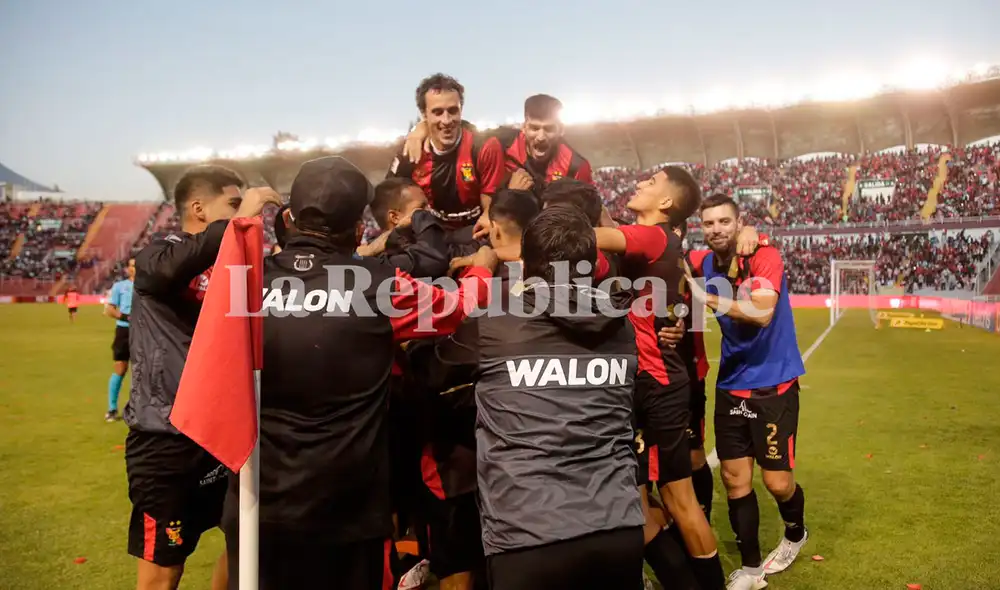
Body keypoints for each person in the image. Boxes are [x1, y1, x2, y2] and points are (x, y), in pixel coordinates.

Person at [221, 156, 497, 590]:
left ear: (289, 219)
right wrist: (483, 265)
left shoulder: (242, 280)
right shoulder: (378, 286)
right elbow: (458, 306)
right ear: (356, 230)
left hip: (258, 500)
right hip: (346, 509)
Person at [124, 164, 282, 590]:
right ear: (198, 208)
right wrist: (241, 220)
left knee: (244, 541)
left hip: (225, 434)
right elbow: (162, 271)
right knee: (163, 572)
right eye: (232, 203)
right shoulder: (161, 254)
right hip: (167, 440)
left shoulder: (233, 264)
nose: (242, 210)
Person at [472, 204, 645, 590]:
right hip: (617, 525)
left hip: (528, 531)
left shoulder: (492, 324)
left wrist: (480, 276)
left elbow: (434, 367)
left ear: (524, 264)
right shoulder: (622, 328)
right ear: (593, 264)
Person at [593, 166, 724, 590]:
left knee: (676, 497)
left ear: (666, 203)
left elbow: (585, 236)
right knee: (641, 500)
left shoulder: (652, 236)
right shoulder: (658, 240)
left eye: (651, 183)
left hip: (658, 382)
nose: (639, 183)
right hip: (644, 381)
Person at [685, 194, 808, 590]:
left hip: (773, 384)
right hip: (730, 385)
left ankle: (795, 532)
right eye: (709, 223)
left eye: (725, 221)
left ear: (739, 223)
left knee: (777, 483)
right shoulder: (703, 262)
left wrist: (707, 298)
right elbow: (666, 254)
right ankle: (752, 570)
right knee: (735, 480)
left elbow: (761, 312)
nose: (716, 229)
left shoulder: (765, 257)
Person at [405, 95, 593, 200]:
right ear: (524, 127)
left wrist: (514, 195)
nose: (541, 136)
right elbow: (457, 126)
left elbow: (590, 211)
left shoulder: (576, 166)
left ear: (561, 130)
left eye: (549, 129)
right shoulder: (501, 141)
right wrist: (420, 129)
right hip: (507, 227)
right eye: (534, 128)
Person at [387, 74, 505, 238]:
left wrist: (487, 219)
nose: (447, 120)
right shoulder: (411, 151)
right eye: (437, 112)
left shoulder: (484, 146)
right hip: (428, 235)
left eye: (453, 110)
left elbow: (490, 206)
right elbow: (387, 201)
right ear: (424, 114)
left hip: (473, 233)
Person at [359, 177, 449, 277]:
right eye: (422, 208)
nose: (429, 212)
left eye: (428, 206)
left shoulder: (431, 240)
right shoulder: (384, 260)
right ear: (395, 217)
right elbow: (433, 261)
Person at [104, 258, 135, 422]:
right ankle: (112, 409)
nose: (134, 269)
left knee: (142, 371)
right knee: (120, 369)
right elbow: (109, 309)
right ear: (127, 269)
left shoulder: (149, 286)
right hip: (123, 331)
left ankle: (139, 409)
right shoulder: (119, 286)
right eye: (132, 266)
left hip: (142, 331)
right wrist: (124, 317)